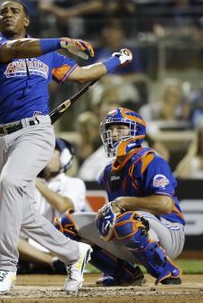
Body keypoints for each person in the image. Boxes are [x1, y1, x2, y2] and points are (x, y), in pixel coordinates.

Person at [0, 0, 133, 294]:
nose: (7, 15)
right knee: (23, 214)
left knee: (11, 182)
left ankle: (6, 268)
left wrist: (116, 60)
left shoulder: (49, 56)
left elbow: (84, 75)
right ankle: (74, 254)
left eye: (15, 11)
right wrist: (61, 41)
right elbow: (19, 49)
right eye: (3, 12)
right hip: (0, 137)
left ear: (27, 21)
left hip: (35, 133)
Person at [55, 107, 185, 286]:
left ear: (136, 132)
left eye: (120, 128)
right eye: (110, 129)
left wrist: (122, 203)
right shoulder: (109, 171)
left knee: (126, 221)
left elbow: (165, 204)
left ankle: (166, 270)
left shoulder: (151, 160)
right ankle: (124, 274)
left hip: (169, 231)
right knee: (66, 225)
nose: (113, 134)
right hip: (134, 229)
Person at [16, 138, 86, 273]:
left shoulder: (74, 183)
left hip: (64, 243)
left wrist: (35, 182)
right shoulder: (28, 184)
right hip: (34, 244)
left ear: (65, 157)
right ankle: (53, 263)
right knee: (0, 232)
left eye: (52, 150)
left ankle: (39, 262)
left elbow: (64, 206)